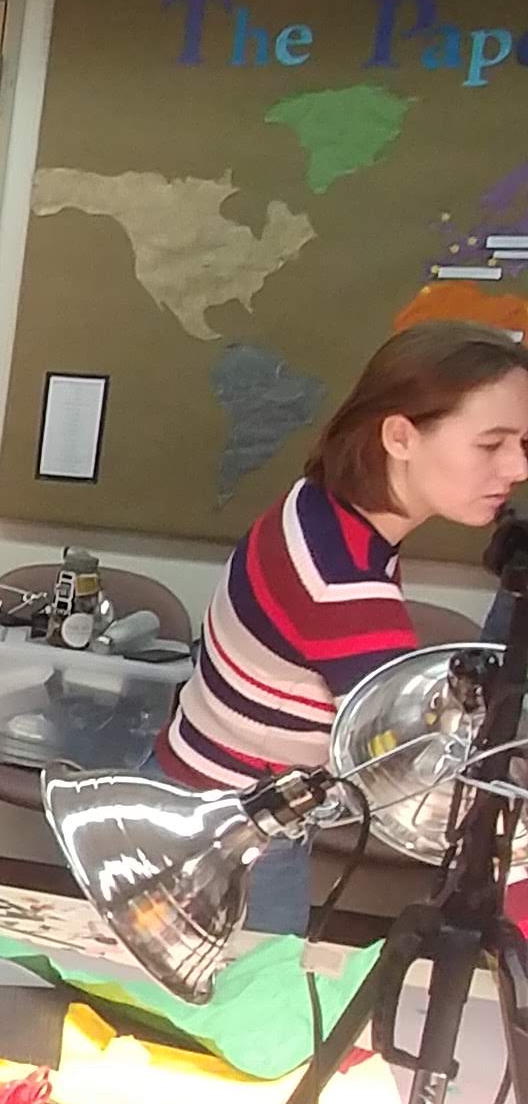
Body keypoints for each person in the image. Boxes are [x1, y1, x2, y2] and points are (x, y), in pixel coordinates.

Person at [153, 320, 528, 934]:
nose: (515, 467)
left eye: (523, 442)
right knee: (239, 1021)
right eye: (490, 445)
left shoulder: (316, 504)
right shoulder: (348, 586)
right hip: (236, 841)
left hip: (200, 792)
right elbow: (412, 788)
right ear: (400, 436)